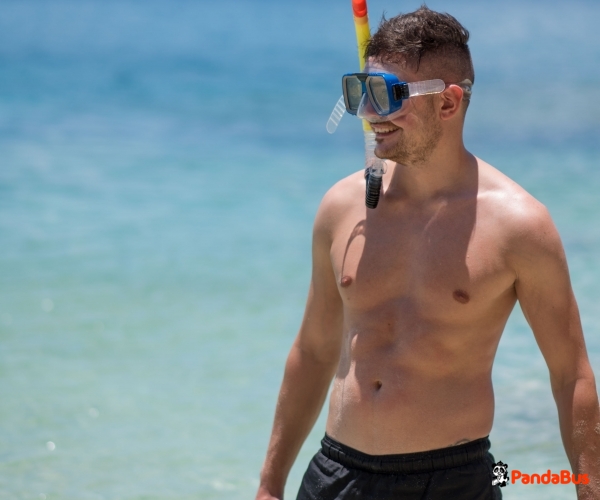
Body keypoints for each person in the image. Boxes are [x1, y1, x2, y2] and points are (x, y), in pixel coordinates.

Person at [254, 6, 600, 500]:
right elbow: (312, 351)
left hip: (452, 481)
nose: (368, 113)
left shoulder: (518, 225)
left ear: (448, 103)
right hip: (335, 474)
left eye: (386, 94)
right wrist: (269, 485)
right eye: (360, 91)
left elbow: (571, 376)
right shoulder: (342, 206)